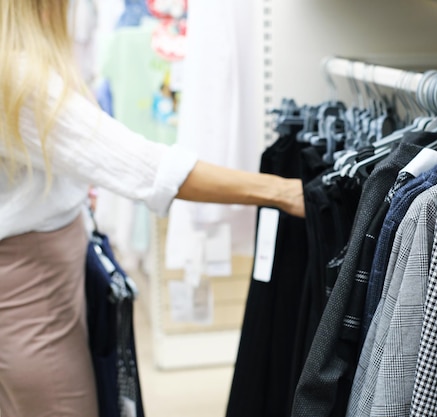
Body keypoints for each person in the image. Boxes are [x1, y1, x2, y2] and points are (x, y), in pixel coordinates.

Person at [0, 1, 304, 416]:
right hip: (30, 293)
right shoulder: (17, 76)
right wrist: (283, 191)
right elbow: (148, 168)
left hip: (35, 281)